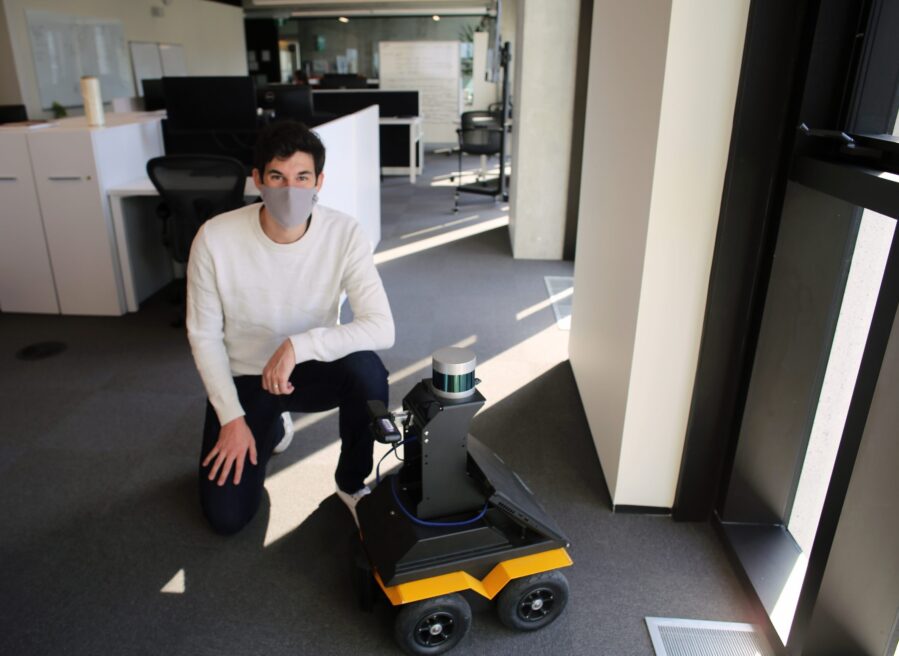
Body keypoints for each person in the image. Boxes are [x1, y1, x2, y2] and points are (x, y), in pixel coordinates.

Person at [186, 120, 394, 535]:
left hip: (311, 369)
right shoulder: (214, 238)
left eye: (302, 178)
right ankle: (271, 423)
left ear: (319, 181)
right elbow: (204, 336)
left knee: (367, 372)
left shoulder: (345, 233)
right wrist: (231, 418)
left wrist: (299, 346)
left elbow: (381, 328)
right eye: (277, 177)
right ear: (257, 179)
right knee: (226, 517)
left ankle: (352, 483)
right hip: (247, 378)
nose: (290, 190)